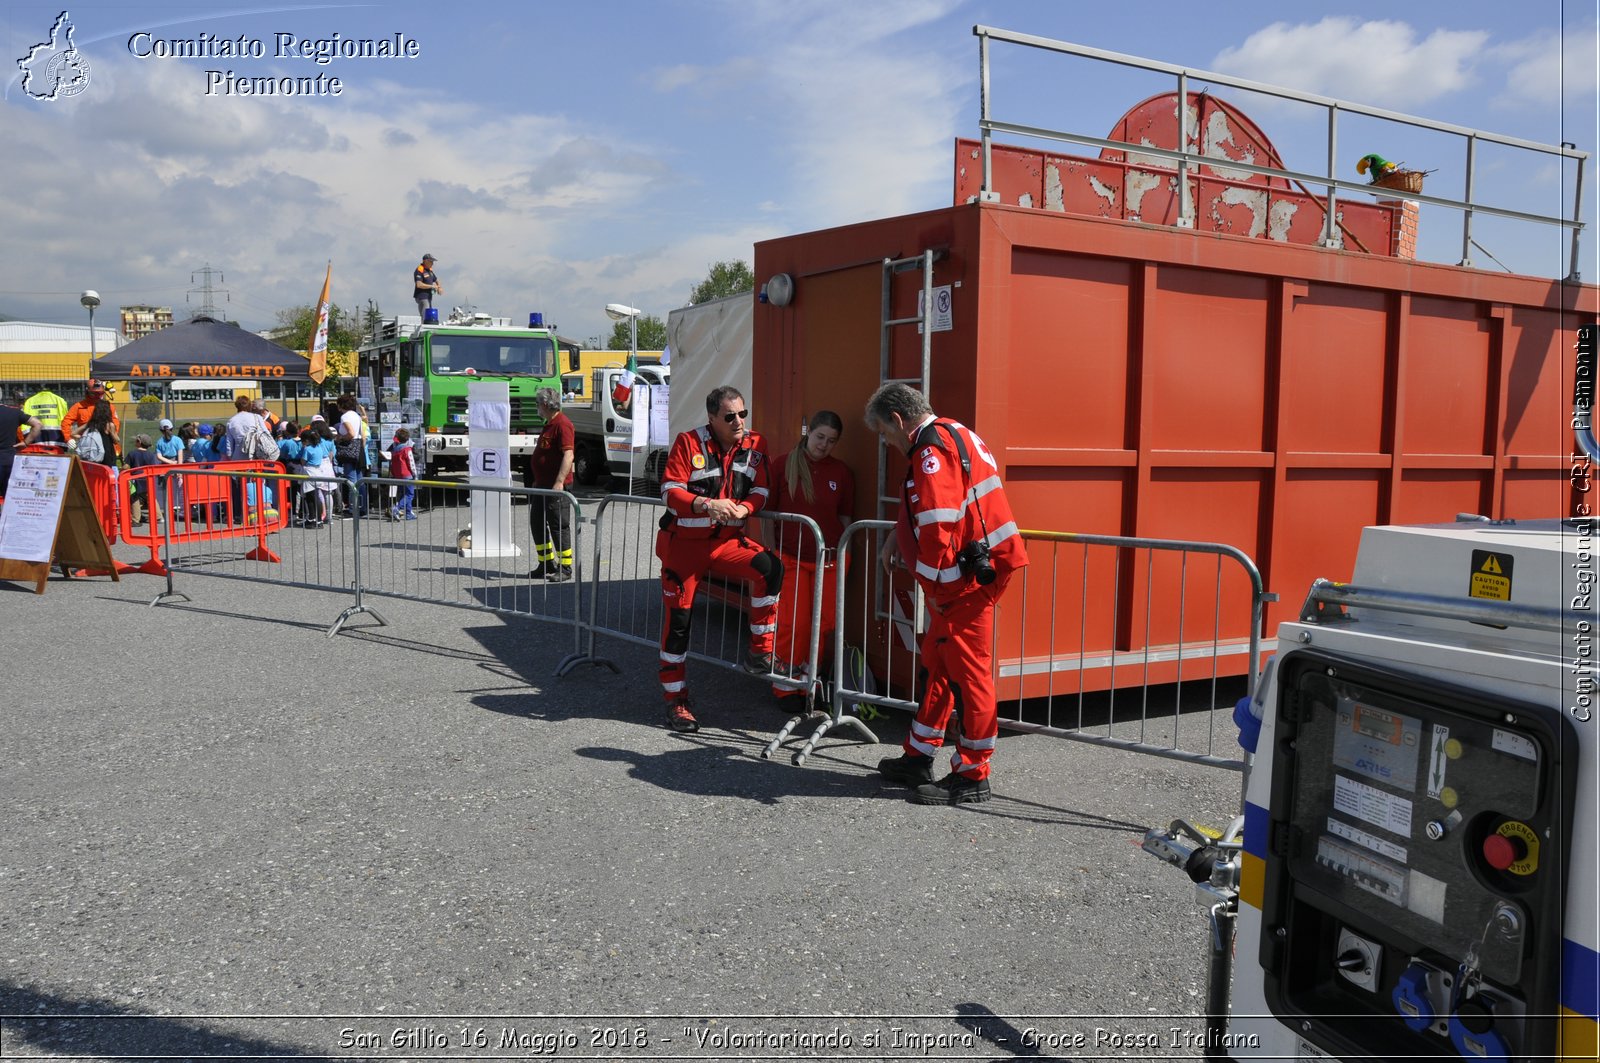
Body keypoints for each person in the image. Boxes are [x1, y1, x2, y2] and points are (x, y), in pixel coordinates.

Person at [867, 383, 1028, 805]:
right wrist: (894, 539)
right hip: (971, 574)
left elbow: (939, 521)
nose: (887, 442)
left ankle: (974, 774)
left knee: (969, 675)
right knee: (939, 662)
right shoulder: (952, 433)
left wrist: (932, 585)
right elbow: (929, 506)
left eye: (885, 433)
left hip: (964, 582)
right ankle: (918, 755)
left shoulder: (929, 450)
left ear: (899, 421)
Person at [654, 385, 785, 733]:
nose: (739, 421)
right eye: (730, 417)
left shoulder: (756, 444)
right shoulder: (689, 442)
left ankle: (760, 652)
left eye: (743, 414)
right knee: (678, 624)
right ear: (712, 418)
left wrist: (745, 508)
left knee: (770, 568)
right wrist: (706, 505)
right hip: (685, 546)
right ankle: (676, 700)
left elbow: (762, 489)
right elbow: (669, 490)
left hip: (727, 542)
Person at [769, 411, 855, 702]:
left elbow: (844, 517)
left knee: (822, 625)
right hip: (791, 558)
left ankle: (809, 683)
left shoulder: (841, 472)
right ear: (809, 433)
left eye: (831, 441)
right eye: (820, 437)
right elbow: (767, 514)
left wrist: (846, 556)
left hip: (829, 560)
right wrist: (772, 553)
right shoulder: (783, 465)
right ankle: (784, 685)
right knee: (795, 623)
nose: (824, 445)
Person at [525, 389, 574, 580]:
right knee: (537, 523)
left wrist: (559, 482)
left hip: (556, 487)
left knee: (558, 525)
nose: (537, 408)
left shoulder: (563, 424)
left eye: (538, 404)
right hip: (542, 485)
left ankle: (565, 568)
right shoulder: (550, 424)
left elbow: (569, 455)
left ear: (545, 405)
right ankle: (545, 563)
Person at [0, 390, 43, 497]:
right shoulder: (14, 412)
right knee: (10, 495)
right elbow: (38, 424)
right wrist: (25, 443)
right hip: (9, 458)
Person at [334, 393, 370, 517]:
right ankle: (363, 507)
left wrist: (340, 438)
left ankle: (353, 509)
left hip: (349, 449)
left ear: (341, 405)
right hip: (359, 448)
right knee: (360, 480)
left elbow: (351, 433)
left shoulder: (345, 417)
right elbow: (362, 435)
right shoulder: (357, 415)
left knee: (351, 481)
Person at [123, 434, 161, 524]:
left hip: (136, 480)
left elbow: (126, 467)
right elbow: (154, 467)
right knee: (151, 497)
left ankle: (136, 519)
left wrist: (123, 465)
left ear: (139, 442)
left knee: (134, 498)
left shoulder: (132, 454)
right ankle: (158, 517)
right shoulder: (151, 455)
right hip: (148, 479)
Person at [75, 399, 120, 468]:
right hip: (108, 458)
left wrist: (83, 437)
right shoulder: (109, 425)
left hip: (94, 456)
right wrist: (112, 433)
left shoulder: (90, 424)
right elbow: (116, 441)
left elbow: (73, 433)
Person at [388, 427, 418, 521]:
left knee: (404, 494)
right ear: (407, 438)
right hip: (407, 475)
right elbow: (411, 462)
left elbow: (392, 463)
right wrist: (415, 474)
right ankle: (396, 508)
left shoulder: (394, 450)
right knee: (409, 494)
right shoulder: (407, 449)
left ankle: (408, 513)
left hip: (398, 475)